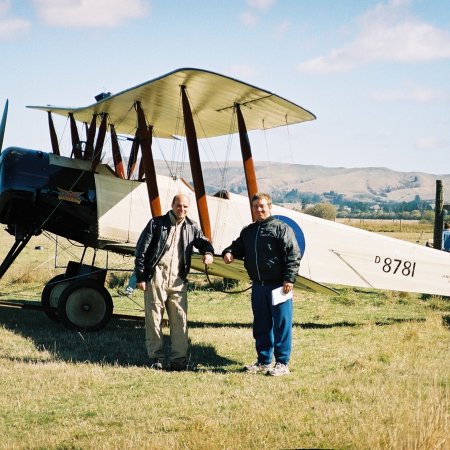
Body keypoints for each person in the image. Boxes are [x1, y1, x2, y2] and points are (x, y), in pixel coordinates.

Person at [222, 192, 301, 377]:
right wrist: (229, 252)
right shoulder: (249, 231)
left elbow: (293, 254)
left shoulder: (282, 229)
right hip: (258, 286)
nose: (259, 210)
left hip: (279, 286)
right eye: (256, 207)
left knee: (282, 325)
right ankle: (264, 361)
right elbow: (237, 246)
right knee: (261, 325)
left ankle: (282, 363)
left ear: (270, 207)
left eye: (262, 206)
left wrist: (289, 279)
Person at [134, 194, 214, 371]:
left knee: (180, 319)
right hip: (157, 275)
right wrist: (140, 277)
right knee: (154, 318)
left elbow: (203, 242)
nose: (182, 209)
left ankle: (179, 360)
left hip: (178, 278)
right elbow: (141, 251)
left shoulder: (192, 227)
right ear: (172, 205)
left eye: (185, 206)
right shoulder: (156, 224)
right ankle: (157, 358)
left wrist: (208, 252)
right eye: (179, 205)